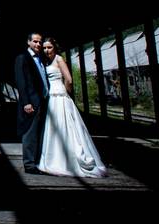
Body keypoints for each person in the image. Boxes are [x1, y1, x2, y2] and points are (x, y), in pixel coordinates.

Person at [37, 38, 107, 177]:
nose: (46, 50)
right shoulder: (47, 61)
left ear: (55, 48)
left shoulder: (59, 59)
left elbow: (69, 79)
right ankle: (55, 159)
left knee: (66, 126)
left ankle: (69, 161)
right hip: (52, 97)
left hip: (60, 96)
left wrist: (65, 91)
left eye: (49, 47)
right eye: (44, 48)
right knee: (54, 127)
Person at [14, 32, 49, 174]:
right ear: (28, 42)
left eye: (40, 42)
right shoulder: (22, 58)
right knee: (30, 134)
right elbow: (21, 82)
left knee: (40, 133)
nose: (38, 44)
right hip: (32, 103)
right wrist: (26, 103)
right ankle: (29, 165)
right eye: (35, 41)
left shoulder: (40, 58)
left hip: (43, 101)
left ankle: (38, 161)